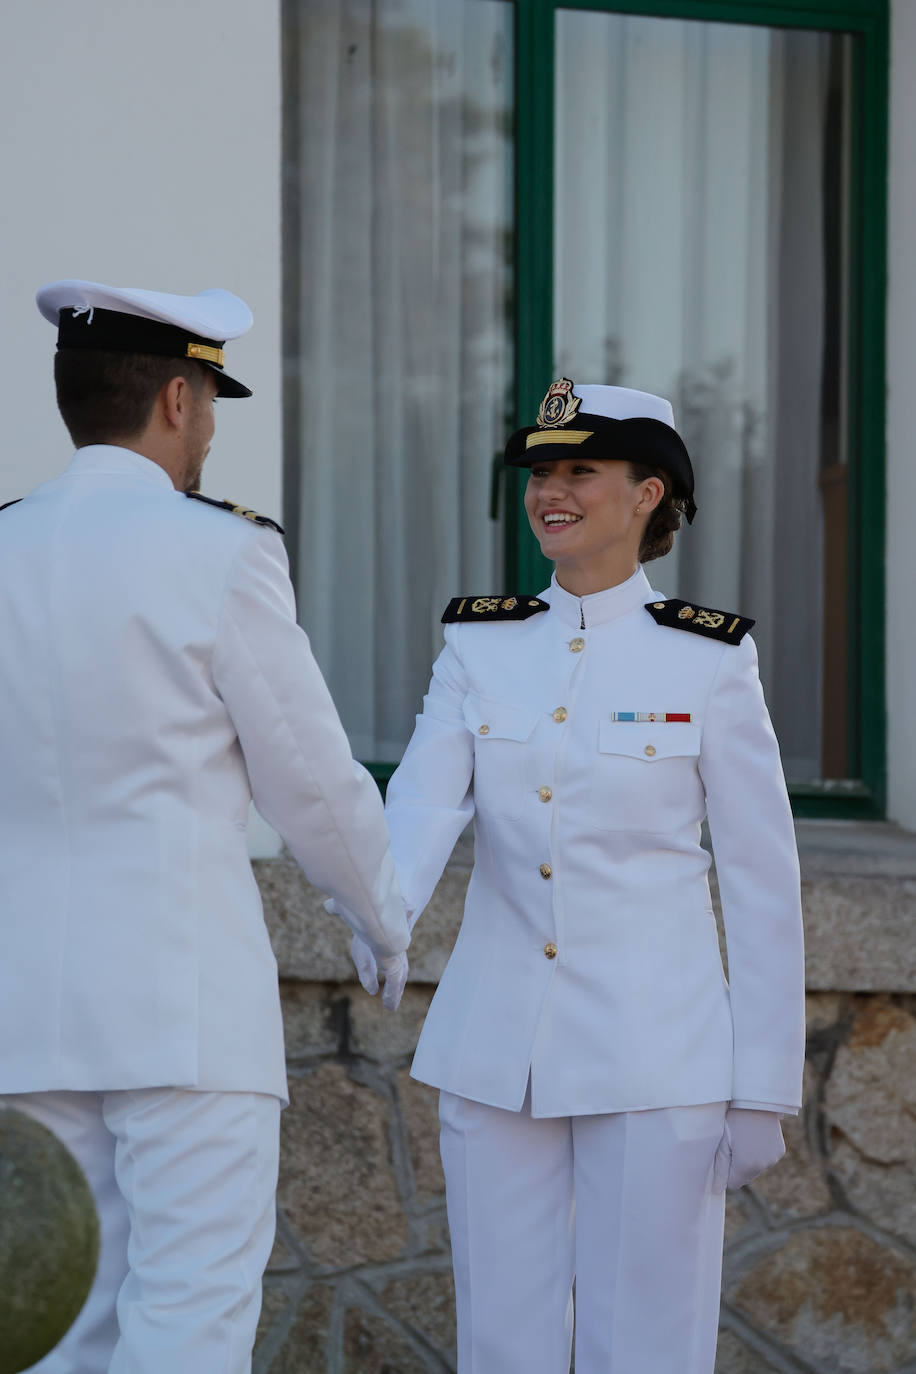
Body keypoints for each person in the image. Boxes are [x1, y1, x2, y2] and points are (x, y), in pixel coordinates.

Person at [349, 381, 806, 1374]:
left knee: (643, 1345)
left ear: (648, 494)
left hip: (658, 1055)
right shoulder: (480, 641)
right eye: (540, 474)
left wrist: (761, 1087)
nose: (549, 492)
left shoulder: (710, 660)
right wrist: (380, 917)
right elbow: (423, 805)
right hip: (494, 1045)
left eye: (578, 472)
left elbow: (764, 880)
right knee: (501, 1343)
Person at [0, 279, 410, 1374]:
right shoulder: (219, 550)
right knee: (188, 1321)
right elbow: (312, 782)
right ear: (177, 401)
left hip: (23, 1007)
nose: (212, 431)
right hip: (182, 1007)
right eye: (212, 403)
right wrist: (380, 918)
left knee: (54, 1324)